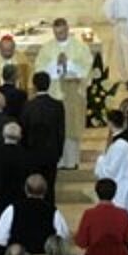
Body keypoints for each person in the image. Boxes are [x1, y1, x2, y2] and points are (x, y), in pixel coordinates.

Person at [33, 18, 91, 170]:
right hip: (53, 94)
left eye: (62, 32)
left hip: (72, 94)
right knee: (55, 129)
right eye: (56, 33)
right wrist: (55, 64)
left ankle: (71, 161)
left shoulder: (80, 47)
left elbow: (87, 68)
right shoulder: (46, 48)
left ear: (67, 29)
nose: (59, 35)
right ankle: (57, 161)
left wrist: (68, 64)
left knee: (71, 128)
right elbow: (39, 70)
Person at [20, 71, 66, 194]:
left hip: (32, 153)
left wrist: (24, 152)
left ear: (34, 85)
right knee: (49, 188)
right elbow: (61, 131)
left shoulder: (28, 106)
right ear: (49, 84)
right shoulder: (57, 106)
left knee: (33, 188)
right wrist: (59, 152)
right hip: (51, 152)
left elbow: (24, 130)